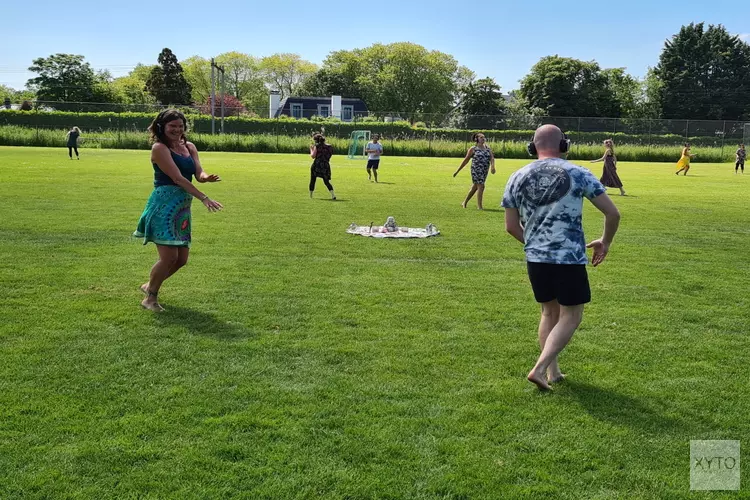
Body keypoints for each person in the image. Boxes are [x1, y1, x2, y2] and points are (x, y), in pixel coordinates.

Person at [502, 125, 621, 391]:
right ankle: (540, 368)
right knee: (572, 315)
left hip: (536, 258)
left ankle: (553, 373)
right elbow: (613, 214)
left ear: (532, 147)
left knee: (548, 312)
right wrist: (605, 242)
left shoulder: (516, 176)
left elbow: (510, 226)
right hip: (568, 257)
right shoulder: (578, 173)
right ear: (564, 145)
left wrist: (535, 243)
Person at [133, 109, 224, 312]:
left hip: (181, 207)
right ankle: (150, 298)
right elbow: (178, 178)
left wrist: (205, 177)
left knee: (181, 259)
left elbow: (197, 172)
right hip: (164, 205)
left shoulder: (189, 146)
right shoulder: (159, 148)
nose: (177, 130)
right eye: (172, 126)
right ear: (162, 127)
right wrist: (204, 197)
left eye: (180, 126)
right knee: (169, 258)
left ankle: (149, 284)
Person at [453, 132, 496, 210]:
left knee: (475, 187)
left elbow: (492, 158)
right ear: (477, 139)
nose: (483, 139)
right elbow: (466, 160)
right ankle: (480, 206)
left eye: (484, 137)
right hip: (476, 169)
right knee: (481, 186)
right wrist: (457, 171)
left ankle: (465, 202)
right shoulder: (473, 149)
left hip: (484, 170)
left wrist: (493, 166)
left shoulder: (488, 148)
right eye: (481, 137)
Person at [309, 133, 336, 200]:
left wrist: (311, 149)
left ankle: (311, 195)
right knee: (326, 181)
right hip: (325, 165)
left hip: (317, 164)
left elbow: (313, 156)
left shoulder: (317, 146)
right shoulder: (329, 147)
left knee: (313, 179)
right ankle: (333, 195)